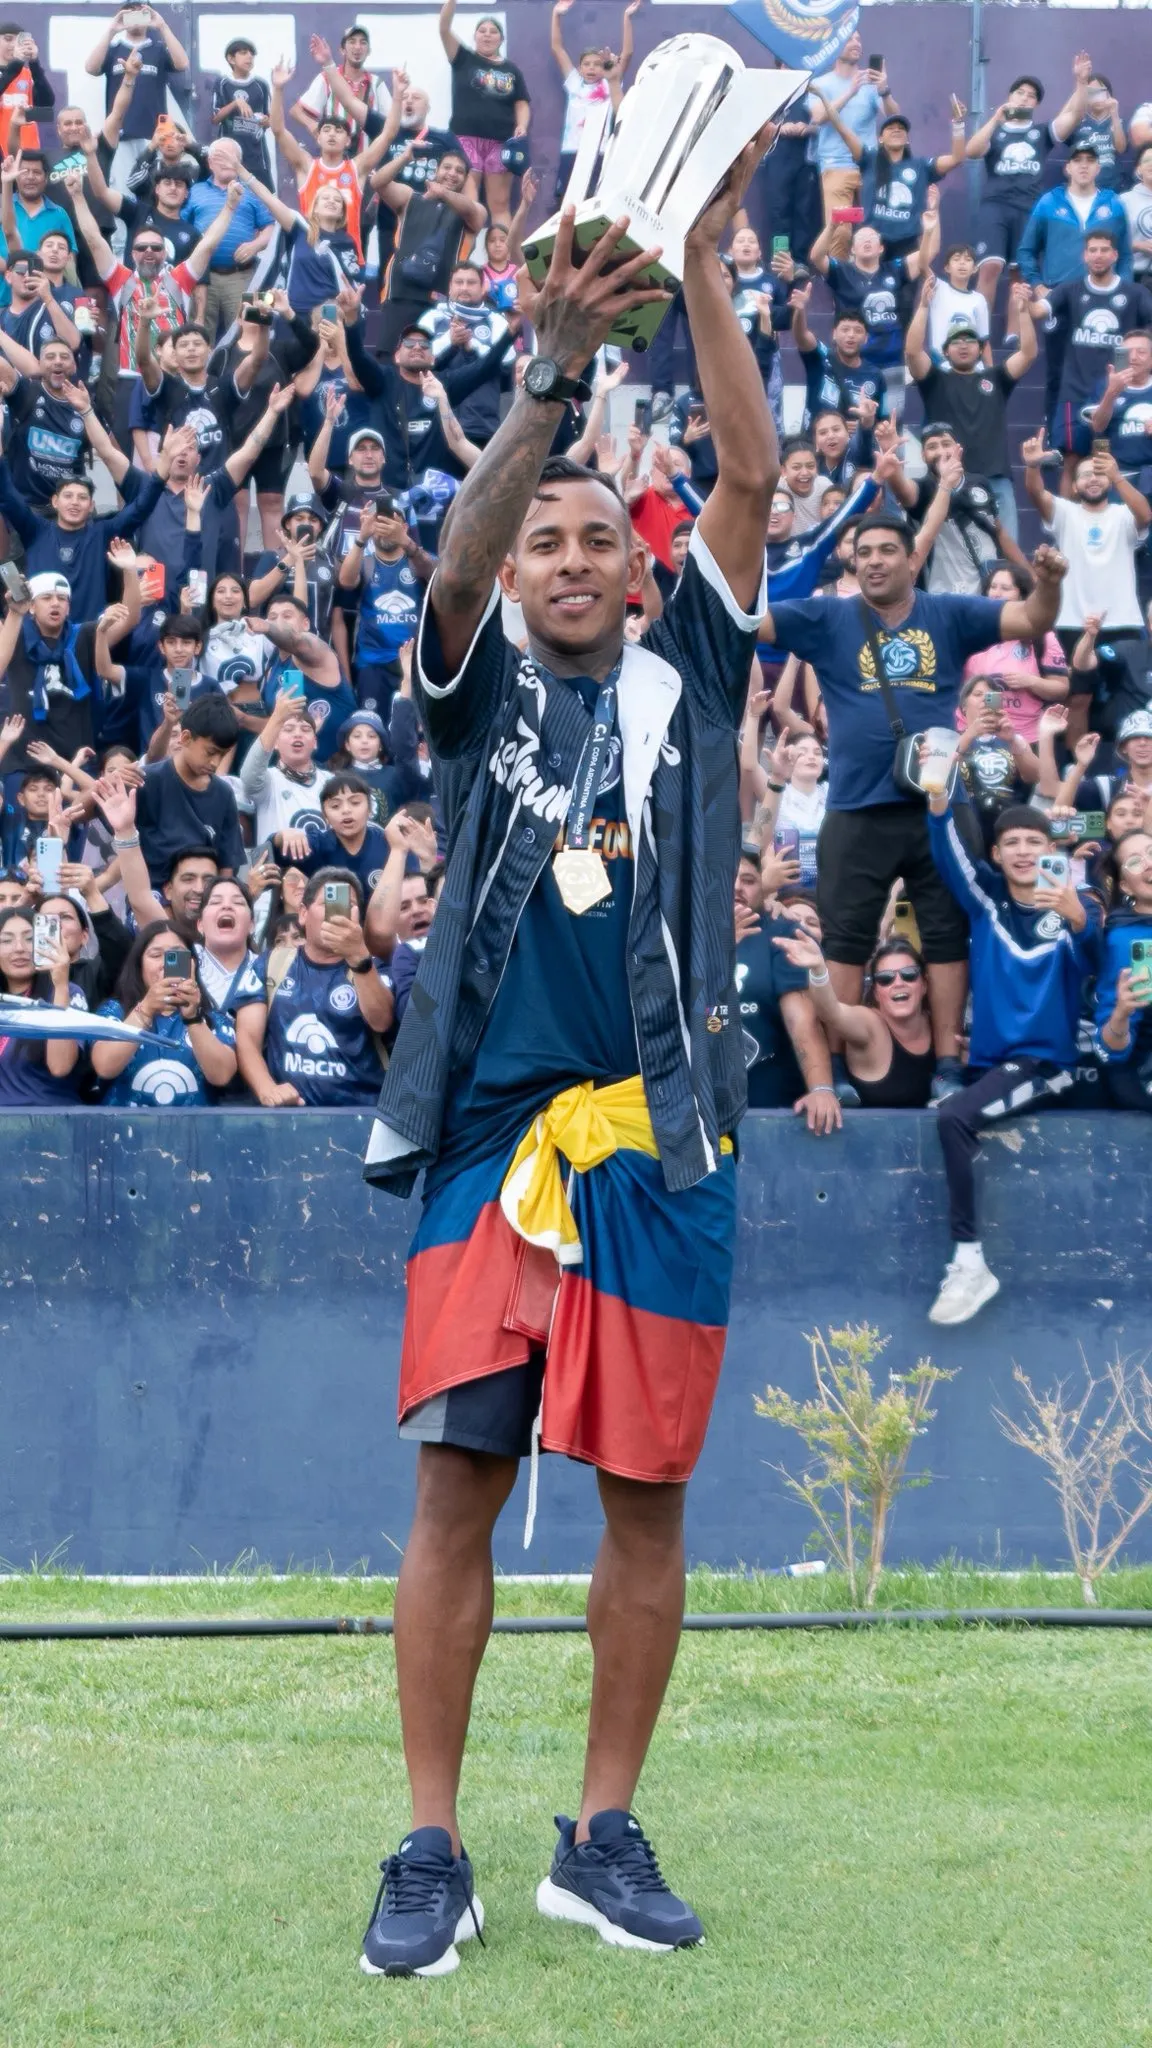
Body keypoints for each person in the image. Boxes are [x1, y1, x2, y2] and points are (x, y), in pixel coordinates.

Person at [359, 113, 777, 1968]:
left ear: (639, 561)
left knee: (646, 1494)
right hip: (493, 1136)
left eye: (601, 534)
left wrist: (692, 256)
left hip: (667, 1135)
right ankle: (429, 1846)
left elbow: (751, 479)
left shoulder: (693, 661)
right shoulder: (477, 684)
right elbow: (445, 569)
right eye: (549, 537)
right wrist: (547, 384)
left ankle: (598, 1834)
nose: (572, 555)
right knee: (457, 1470)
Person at [758, 511, 1068, 1098]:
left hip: (940, 809)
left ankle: (948, 1063)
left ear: (912, 559)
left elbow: (1033, 616)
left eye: (886, 550)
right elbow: (754, 621)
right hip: (855, 809)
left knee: (948, 934)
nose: (873, 560)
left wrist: (1048, 582)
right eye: (863, 552)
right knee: (845, 939)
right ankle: (841, 1067)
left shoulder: (949, 613)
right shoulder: (829, 617)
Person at [924, 794, 1100, 1324]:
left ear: (1055, 851)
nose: (1024, 852)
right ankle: (968, 1262)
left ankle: (970, 1261)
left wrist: (1079, 921)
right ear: (996, 855)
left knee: (953, 1115)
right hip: (994, 1064)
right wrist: (938, 805)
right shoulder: (987, 898)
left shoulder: (1076, 905)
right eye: (1012, 843)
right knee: (955, 1111)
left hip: (1047, 1065)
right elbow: (949, 855)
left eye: (1035, 843)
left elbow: (1093, 961)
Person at [235, 868, 393, 1107]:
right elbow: (246, 1037)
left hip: (361, 1119)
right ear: (302, 913)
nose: (336, 913)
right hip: (289, 1118)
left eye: (347, 904)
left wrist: (359, 959)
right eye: (327, 903)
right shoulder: (271, 963)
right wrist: (267, 1088)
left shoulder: (373, 968)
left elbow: (382, 1021)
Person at [906, 273, 1037, 539]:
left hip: (997, 480)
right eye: (956, 341)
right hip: (951, 479)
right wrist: (922, 307)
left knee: (1006, 559)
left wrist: (1023, 312)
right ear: (945, 351)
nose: (963, 345)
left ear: (980, 349)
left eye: (970, 341)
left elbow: (1028, 354)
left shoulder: (996, 378)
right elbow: (912, 352)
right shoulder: (934, 380)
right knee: (954, 560)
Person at [965, 62, 1093, 312]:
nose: (1025, 98)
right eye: (1020, 93)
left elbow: (1075, 115)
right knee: (989, 266)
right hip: (996, 206)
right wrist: (995, 119)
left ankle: (1015, 335)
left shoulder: (1041, 132)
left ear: (1036, 104)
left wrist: (1081, 82)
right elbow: (971, 151)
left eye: (1031, 96)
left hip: (1029, 208)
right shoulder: (996, 130)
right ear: (1009, 97)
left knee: (1020, 273)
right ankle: (979, 332)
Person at [771, 925, 936, 1108]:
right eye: (885, 979)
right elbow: (832, 1012)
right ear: (875, 992)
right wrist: (818, 970)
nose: (898, 983)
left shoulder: (939, 1027)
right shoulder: (870, 1024)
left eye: (909, 975)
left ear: (924, 985)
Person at [732, 857, 839, 1129]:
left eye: (749, 880)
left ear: (763, 888)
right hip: (701, 1109)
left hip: (772, 1109)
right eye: (727, 875)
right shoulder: (686, 937)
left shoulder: (783, 934)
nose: (737, 887)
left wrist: (821, 1089)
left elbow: (801, 1020)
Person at [92, 917, 236, 1105]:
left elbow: (222, 1075)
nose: (165, 964)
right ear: (139, 964)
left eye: (176, 956)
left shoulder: (213, 1019)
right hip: (127, 1130)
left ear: (192, 964)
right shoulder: (115, 1012)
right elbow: (104, 1066)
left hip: (195, 1132)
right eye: (155, 955)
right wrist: (145, 1010)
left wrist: (193, 1018)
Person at [1022, 432, 1151, 644]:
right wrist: (1033, 466)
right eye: (1085, 475)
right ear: (1074, 486)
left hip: (1122, 621)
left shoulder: (1123, 514)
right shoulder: (1065, 513)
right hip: (1073, 623)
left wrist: (1117, 476)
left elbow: (1146, 515)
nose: (1092, 479)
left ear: (1109, 482)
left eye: (1099, 474)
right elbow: (1036, 493)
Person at [810, 95, 966, 259]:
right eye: (890, 128)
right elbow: (843, 129)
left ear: (907, 140)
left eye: (901, 128)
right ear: (880, 139)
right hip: (872, 243)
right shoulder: (870, 158)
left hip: (907, 244)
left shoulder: (921, 166)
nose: (897, 130)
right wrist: (822, 96)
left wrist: (958, 125)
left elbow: (957, 158)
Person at [133, 692, 244, 888]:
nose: (216, 763)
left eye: (223, 755)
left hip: (203, 900)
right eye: (210, 752)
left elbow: (227, 866)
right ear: (185, 738)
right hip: (153, 896)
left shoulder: (224, 794)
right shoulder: (148, 781)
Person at [807, 32, 899, 260]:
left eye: (859, 38)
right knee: (840, 233)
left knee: (878, 230)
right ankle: (841, 287)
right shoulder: (820, 84)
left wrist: (884, 90)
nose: (857, 43)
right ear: (834, 45)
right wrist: (850, 91)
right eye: (850, 39)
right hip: (835, 165)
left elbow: (894, 118)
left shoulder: (870, 84)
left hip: (870, 166)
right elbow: (818, 117)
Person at [438, 2, 530, 222]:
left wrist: (522, 125)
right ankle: (460, 255)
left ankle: (505, 257)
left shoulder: (511, 70)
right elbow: (443, 28)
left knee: (499, 205)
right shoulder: (463, 58)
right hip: (465, 138)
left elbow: (522, 102)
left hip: (500, 143)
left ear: (501, 39)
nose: (487, 35)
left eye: (493, 31)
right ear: (475, 36)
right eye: (482, 31)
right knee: (468, 203)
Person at [960, 562, 1068, 745]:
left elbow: (1061, 688)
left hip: (1027, 737)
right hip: (974, 736)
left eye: (1005, 588)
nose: (996, 593)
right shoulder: (970, 632)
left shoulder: (1041, 637)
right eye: (992, 587)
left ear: (1021, 594)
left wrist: (1030, 681)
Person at [180, 139, 276, 341]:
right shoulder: (195, 191)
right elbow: (182, 226)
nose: (225, 162)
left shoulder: (251, 192)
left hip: (241, 276)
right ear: (209, 163)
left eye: (231, 157)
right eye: (219, 157)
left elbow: (270, 226)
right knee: (199, 335)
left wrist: (256, 245)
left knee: (246, 333)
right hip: (202, 279)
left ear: (240, 162)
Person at [84, 4, 190, 179]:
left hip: (155, 136)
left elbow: (182, 64)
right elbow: (90, 68)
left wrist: (162, 26)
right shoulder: (114, 49)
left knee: (152, 191)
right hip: (119, 136)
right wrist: (111, 30)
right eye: (130, 13)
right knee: (123, 192)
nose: (136, 18)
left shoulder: (158, 49)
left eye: (141, 14)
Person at [0, 901, 88, 1103]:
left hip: (47, 1125)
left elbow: (60, 1066)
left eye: (30, 939)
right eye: (6, 941)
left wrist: (60, 985)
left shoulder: (68, 992)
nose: (19, 948)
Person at [548, 0, 637, 199]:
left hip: (600, 152)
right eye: (586, 64)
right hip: (572, 151)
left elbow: (628, 53)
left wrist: (626, 18)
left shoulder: (609, 83)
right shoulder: (574, 84)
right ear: (579, 69)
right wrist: (556, 15)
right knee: (567, 204)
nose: (591, 68)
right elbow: (557, 48)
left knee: (594, 202)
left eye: (597, 64)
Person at [1016, 144, 1132, 293]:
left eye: (1090, 160)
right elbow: (1026, 251)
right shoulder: (1049, 202)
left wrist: (1124, 288)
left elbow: (1125, 254)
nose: (1084, 165)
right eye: (1077, 160)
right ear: (1067, 168)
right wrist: (1038, 286)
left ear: (1098, 169)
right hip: (1058, 292)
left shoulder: (1114, 203)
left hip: (1104, 293)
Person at [1095, 828, 1152, 1107]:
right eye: (1134, 862)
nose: (1149, 863)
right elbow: (1111, 1050)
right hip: (1141, 1075)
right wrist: (1121, 1012)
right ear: (1126, 887)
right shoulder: (1122, 939)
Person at [239, 688, 333, 846]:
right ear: (274, 742)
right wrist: (277, 718)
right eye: (288, 729)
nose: (297, 734)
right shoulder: (268, 781)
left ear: (315, 742)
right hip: (277, 869)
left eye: (306, 729)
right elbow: (249, 777)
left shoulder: (331, 782)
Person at [291, 28, 387, 152]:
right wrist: (314, 127)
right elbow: (296, 111)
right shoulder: (327, 78)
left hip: (368, 164)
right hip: (335, 162)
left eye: (363, 42)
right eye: (352, 42)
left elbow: (391, 124)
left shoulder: (377, 83)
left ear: (369, 51)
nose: (357, 47)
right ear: (342, 50)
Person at [1088, 330, 1152, 492]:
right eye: (1127, 353)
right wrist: (1112, 392)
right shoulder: (1105, 386)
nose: (1133, 357)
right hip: (1120, 475)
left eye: (1141, 352)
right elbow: (1098, 426)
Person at [211, 37, 272, 182]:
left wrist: (265, 120)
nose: (249, 57)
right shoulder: (222, 83)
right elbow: (215, 118)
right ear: (231, 59)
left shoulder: (261, 85)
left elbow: (270, 121)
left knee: (262, 197)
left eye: (252, 54)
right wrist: (235, 104)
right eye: (244, 53)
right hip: (230, 155)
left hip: (257, 156)